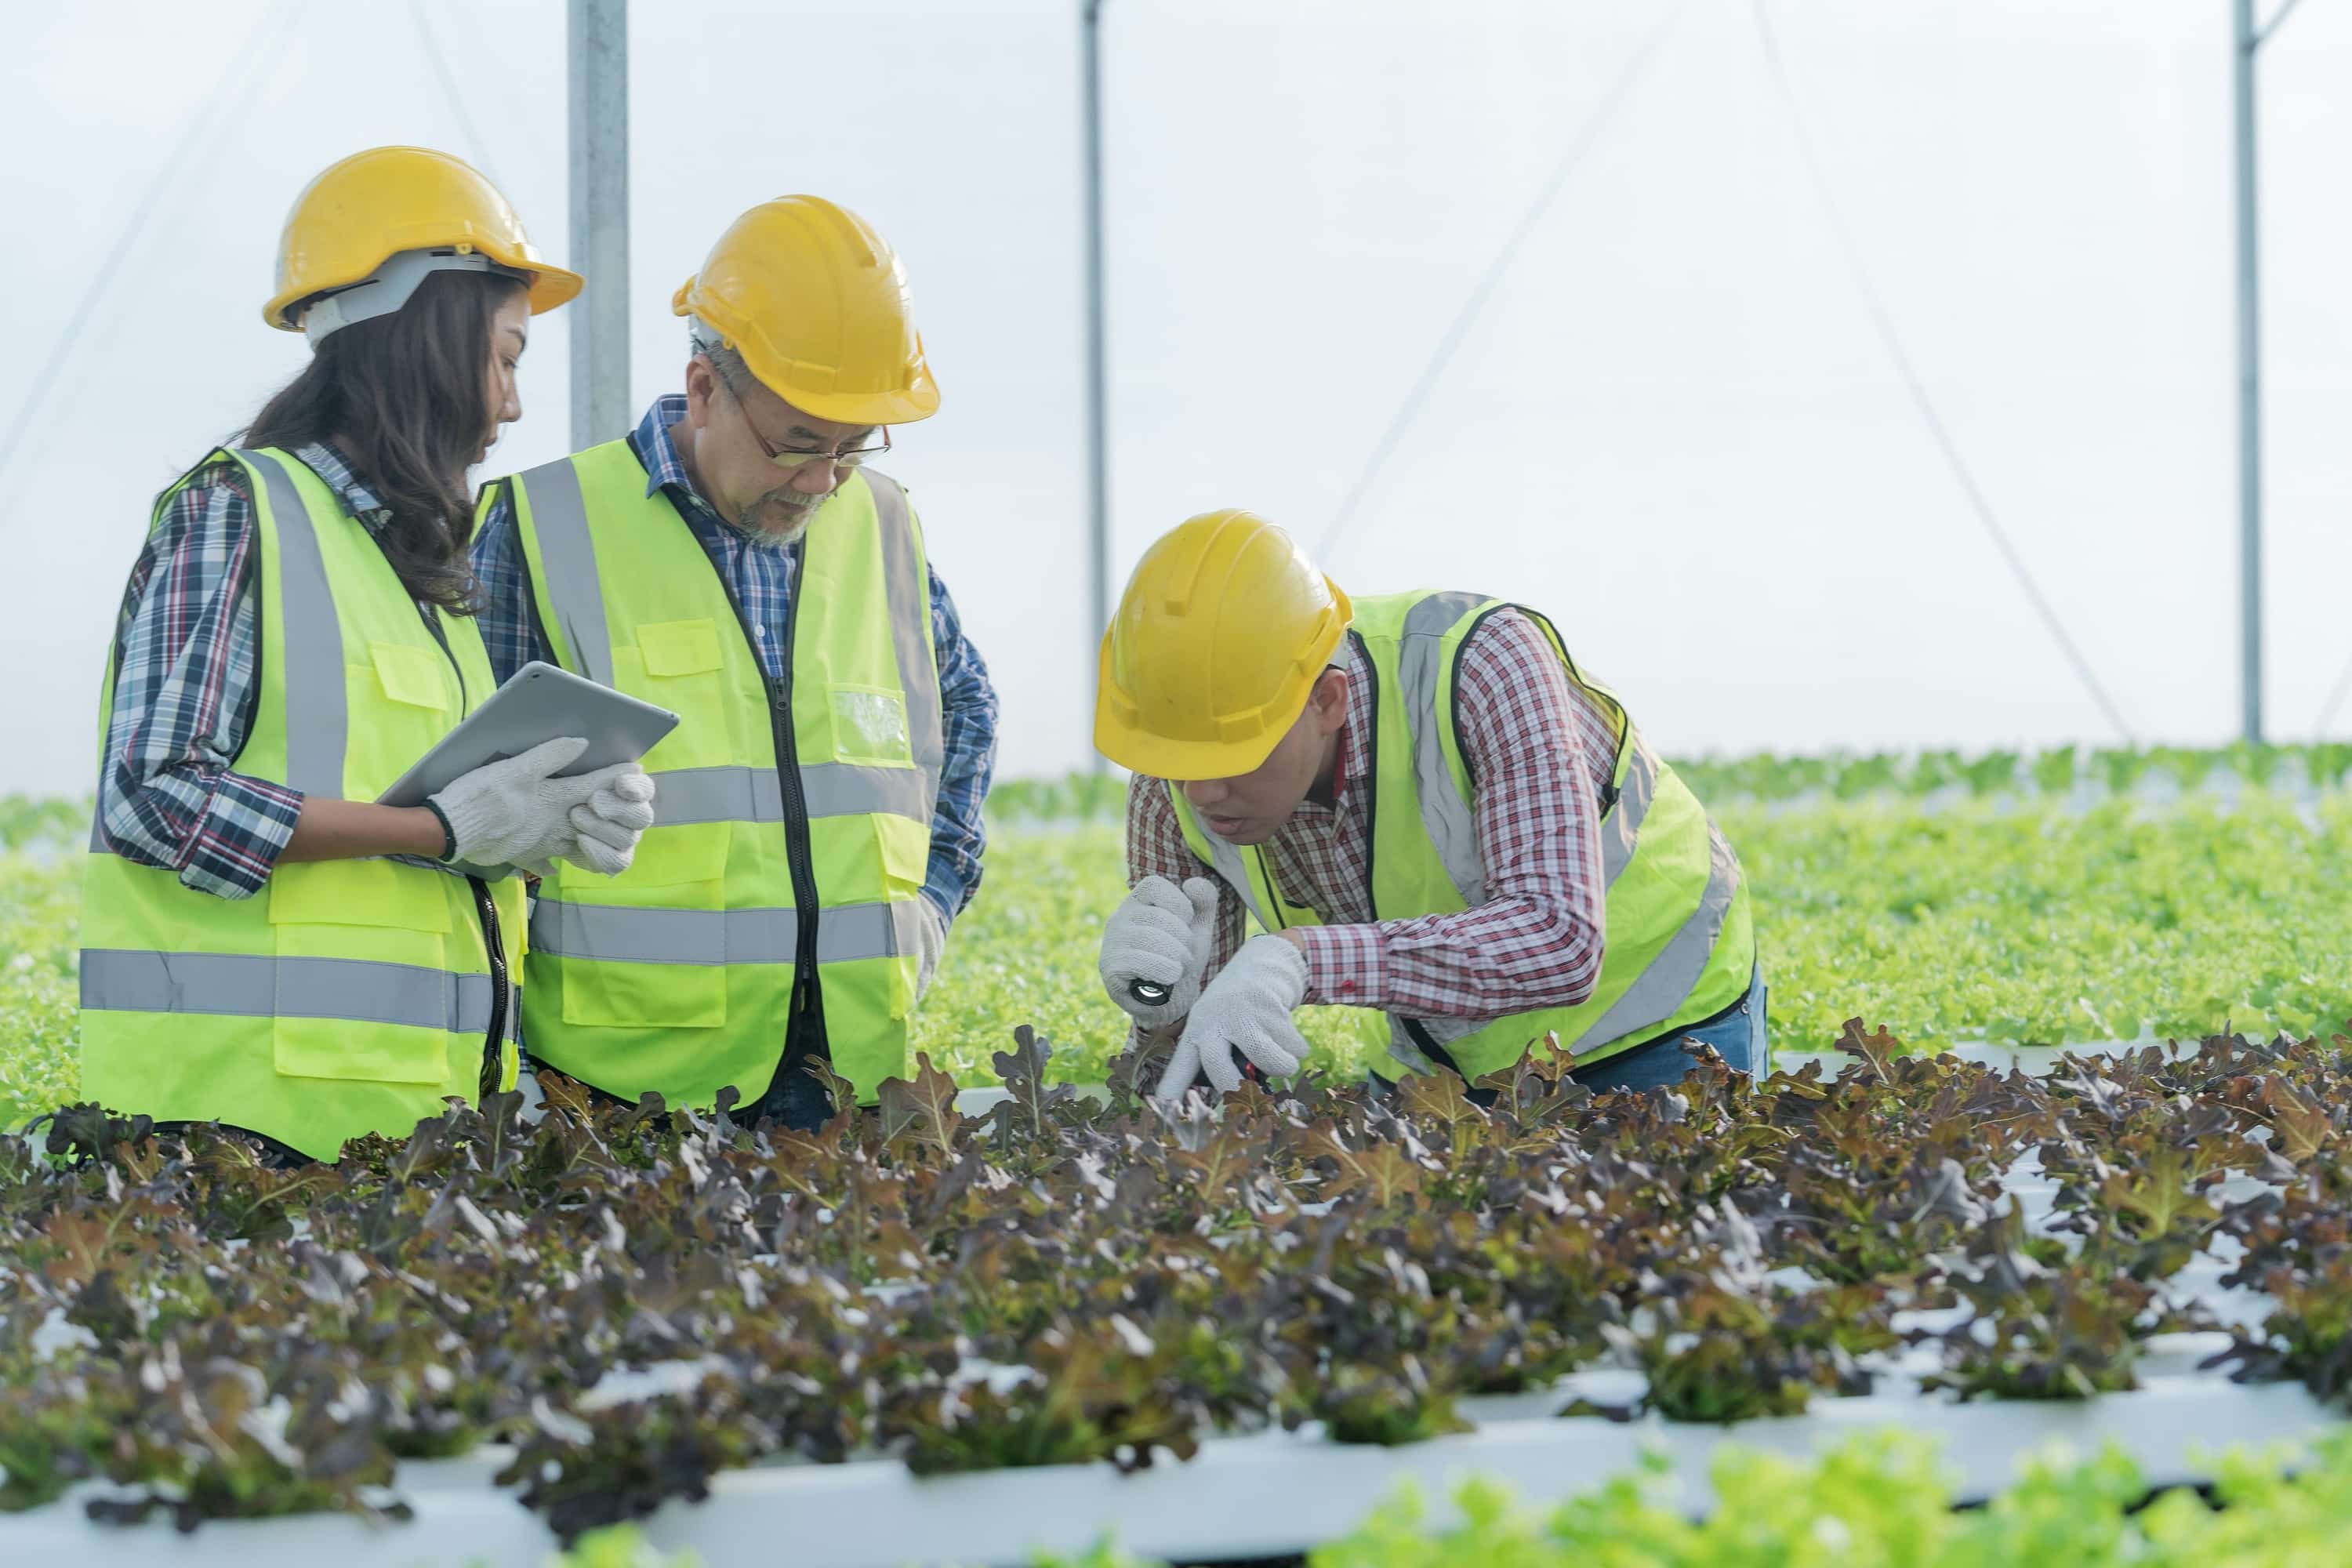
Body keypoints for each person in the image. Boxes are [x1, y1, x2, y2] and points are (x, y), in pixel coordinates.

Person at [78, 147, 653, 1163]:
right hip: (237, 1137)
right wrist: (440, 828)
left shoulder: (417, 569)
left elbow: (420, 836)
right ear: (426, 340)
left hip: (408, 1130)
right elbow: (152, 796)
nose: (513, 403)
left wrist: (540, 824)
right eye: (507, 356)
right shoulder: (238, 513)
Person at [470, 194, 998, 1131]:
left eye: (852, 446)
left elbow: (966, 707)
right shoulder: (542, 525)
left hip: (848, 1073)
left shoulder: (883, 522)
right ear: (705, 387)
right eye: (797, 443)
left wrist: (937, 894)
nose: (822, 480)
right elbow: (472, 795)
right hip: (616, 1087)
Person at [1092, 509, 1762, 1101]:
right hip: (1437, 1058)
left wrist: (1303, 959)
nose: (1200, 792)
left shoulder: (1483, 665)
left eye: (1239, 751)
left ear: (1327, 700)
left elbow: (1559, 940)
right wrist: (1160, 1005)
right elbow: (1195, 1058)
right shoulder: (1178, 759)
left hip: (1653, 1025)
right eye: (1177, 757)